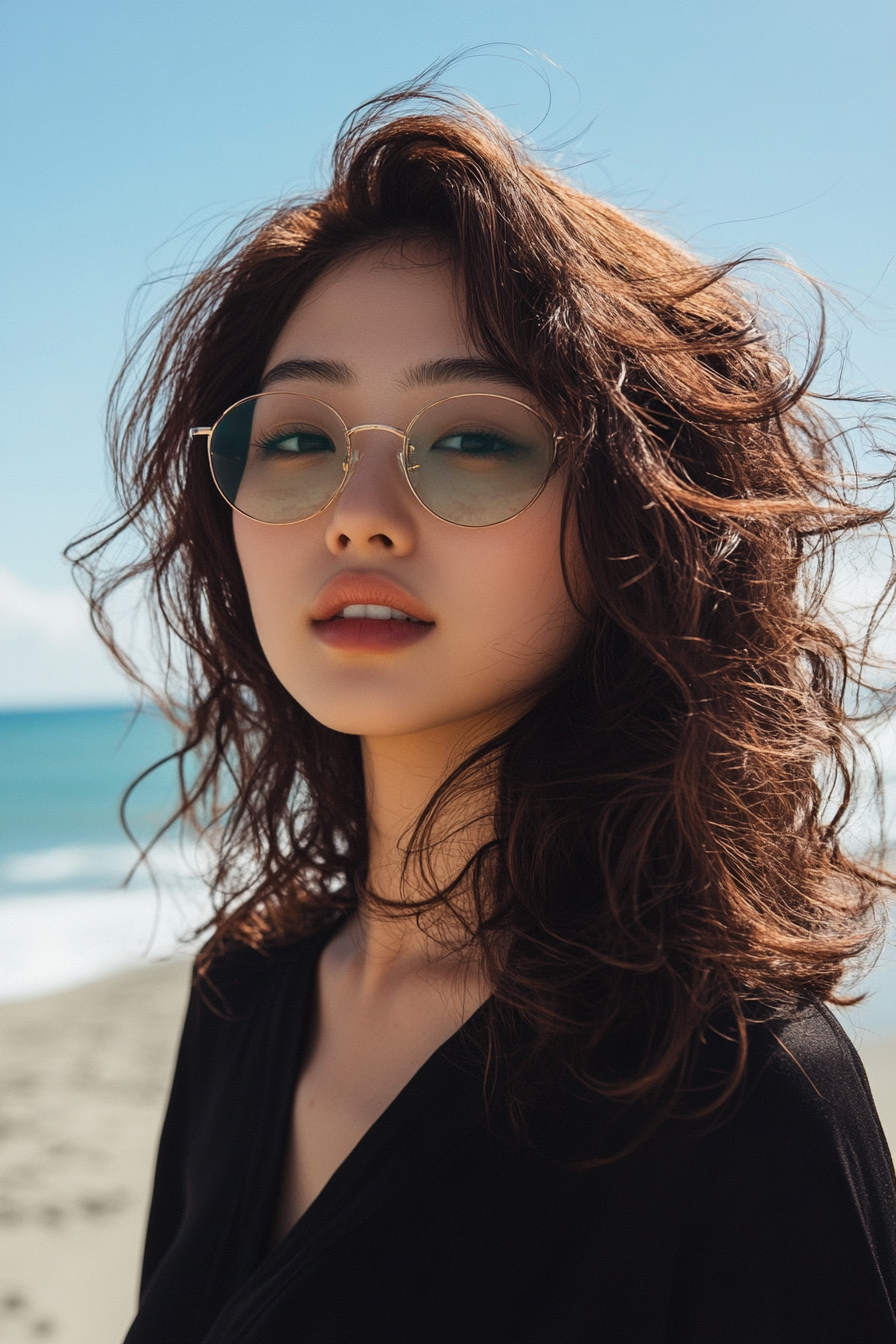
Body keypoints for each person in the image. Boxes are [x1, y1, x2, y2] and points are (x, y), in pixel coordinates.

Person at [74, 82, 896, 1342]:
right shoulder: (245, 994)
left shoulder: (736, 1089)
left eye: (472, 438)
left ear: (635, 523)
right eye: (296, 437)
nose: (356, 508)